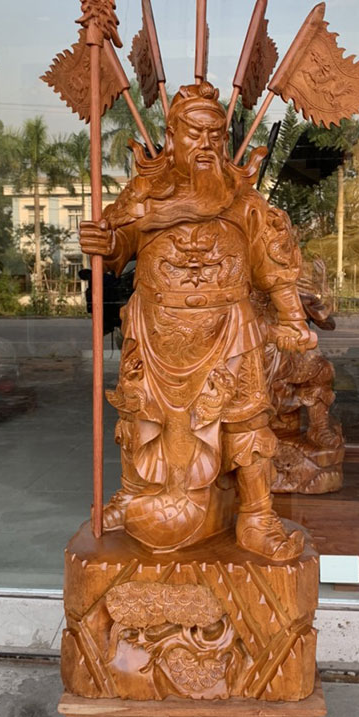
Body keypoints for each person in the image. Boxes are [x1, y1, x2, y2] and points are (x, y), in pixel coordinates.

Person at [80, 81, 316, 560]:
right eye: (194, 132)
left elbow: (272, 261)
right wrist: (103, 244)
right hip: (154, 329)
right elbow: (118, 249)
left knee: (245, 421)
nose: (206, 144)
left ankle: (257, 516)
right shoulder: (145, 193)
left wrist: (293, 318)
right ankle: (132, 494)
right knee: (138, 411)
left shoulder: (242, 198)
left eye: (215, 134)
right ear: (172, 136)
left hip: (229, 328)